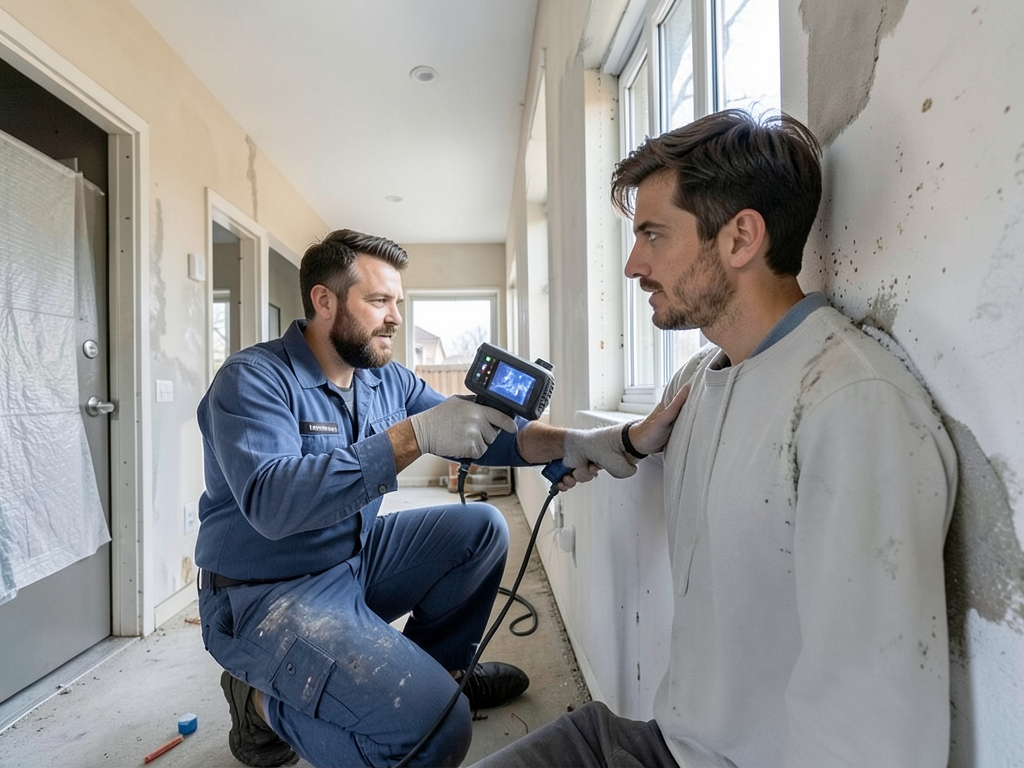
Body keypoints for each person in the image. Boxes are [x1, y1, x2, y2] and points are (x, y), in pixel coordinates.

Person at [472, 110, 958, 768]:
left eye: (653, 234)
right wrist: (620, 441)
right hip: (665, 740)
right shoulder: (698, 379)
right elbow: (653, 438)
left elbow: (872, 736)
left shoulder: (851, 408)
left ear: (741, 238)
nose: (633, 265)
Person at [195, 228, 685, 768]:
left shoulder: (384, 381)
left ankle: (442, 676)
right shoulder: (252, 380)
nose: (395, 318)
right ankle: (260, 704)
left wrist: (585, 441)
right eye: (379, 301)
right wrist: (414, 435)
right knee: (436, 734)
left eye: (398, 303)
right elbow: (273, 504)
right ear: (324, 301)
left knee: (481, 530)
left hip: (352, 559)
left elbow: (486, 434)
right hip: (265, 594)